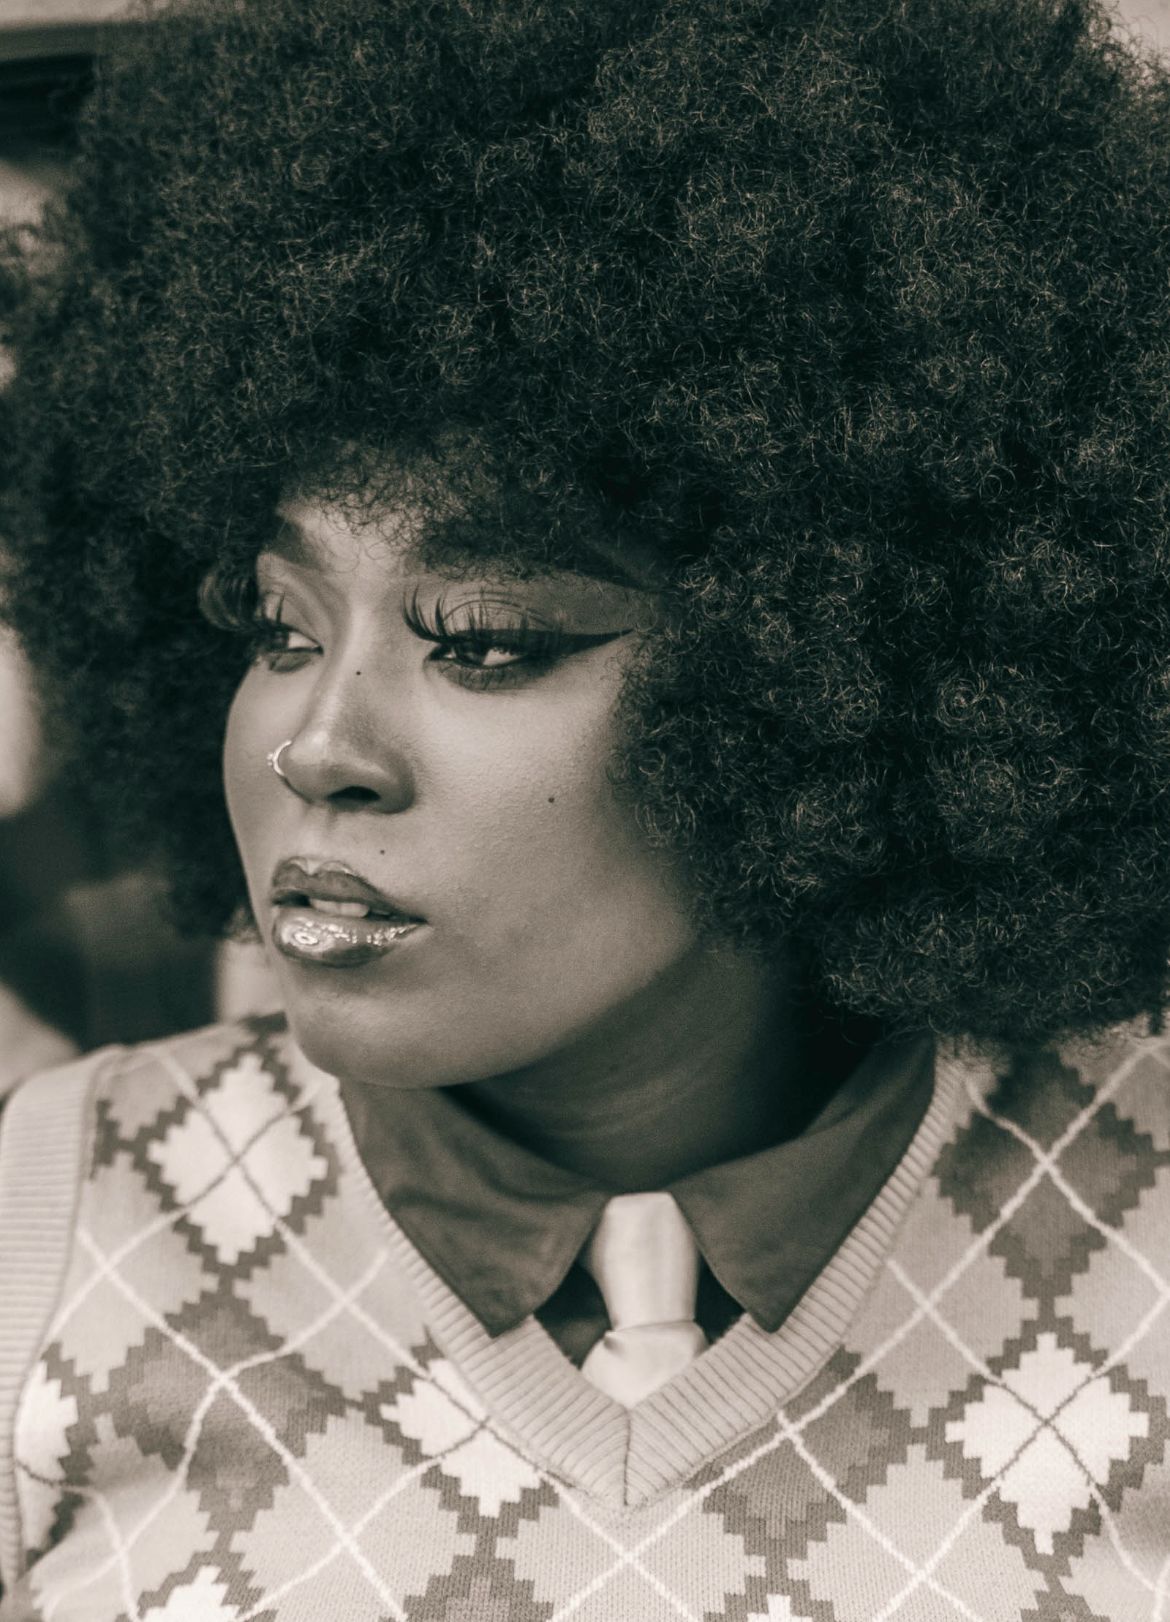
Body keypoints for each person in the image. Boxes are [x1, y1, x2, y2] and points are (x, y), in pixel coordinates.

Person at [0, 0, 1168, 1614]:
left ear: (831, 671)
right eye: (276, 626)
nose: (317, 745)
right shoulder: (52, 1221)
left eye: (485, 640)